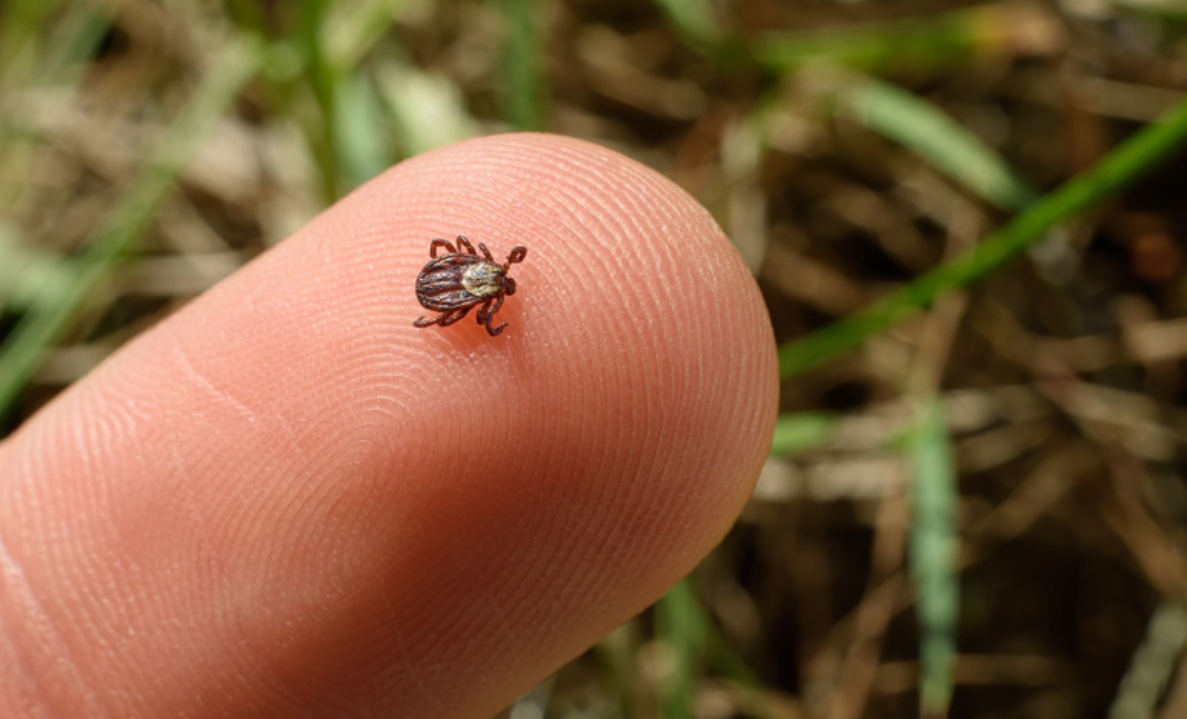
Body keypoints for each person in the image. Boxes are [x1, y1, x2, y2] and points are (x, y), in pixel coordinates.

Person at [0, 133, 777, 717]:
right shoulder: (472, 298)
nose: (495, 284)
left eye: (494, 282)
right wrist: (471, 316)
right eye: (494, 280)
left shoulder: (469, 288)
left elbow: (447, 294)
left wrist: (464, 301)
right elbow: (451, 306)